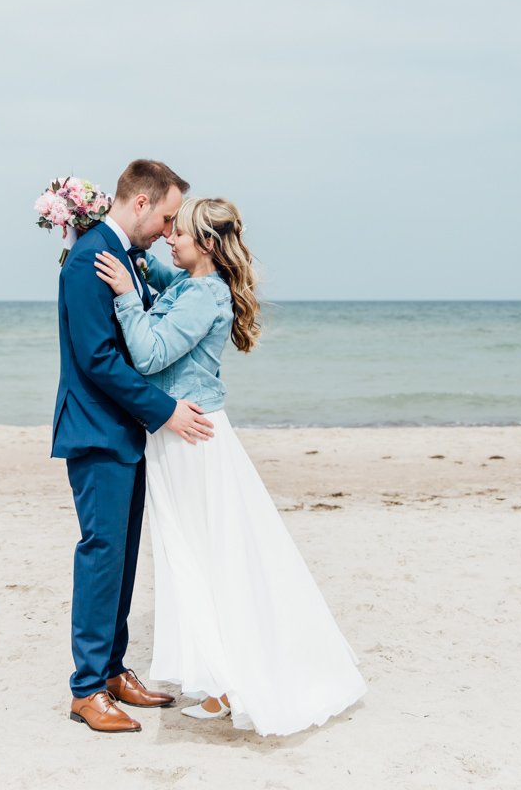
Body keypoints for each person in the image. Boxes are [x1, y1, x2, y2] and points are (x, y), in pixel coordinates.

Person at [93, 197, 367, 737]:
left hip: (193, 443)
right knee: (201, 558)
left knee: (213, 559)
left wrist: (126, 298)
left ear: (208, 245)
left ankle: (239, 680)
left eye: (180, 232)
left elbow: (148, 357)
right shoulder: (195, 281)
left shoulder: (203, 295)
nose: (169, 236)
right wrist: (108, 235)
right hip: (179, 438)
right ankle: (223, 680)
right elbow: (157, 264)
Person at [52, 160, 216, 734]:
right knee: (102, 555)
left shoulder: (124, 257)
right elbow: (97, 359)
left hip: (125, 430)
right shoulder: (89, 258)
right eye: (168, 217)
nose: (169, 231)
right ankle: (87, 689)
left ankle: (115, 671)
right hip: (97, 429)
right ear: (141, 204)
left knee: (121, 558)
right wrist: (166, 410)